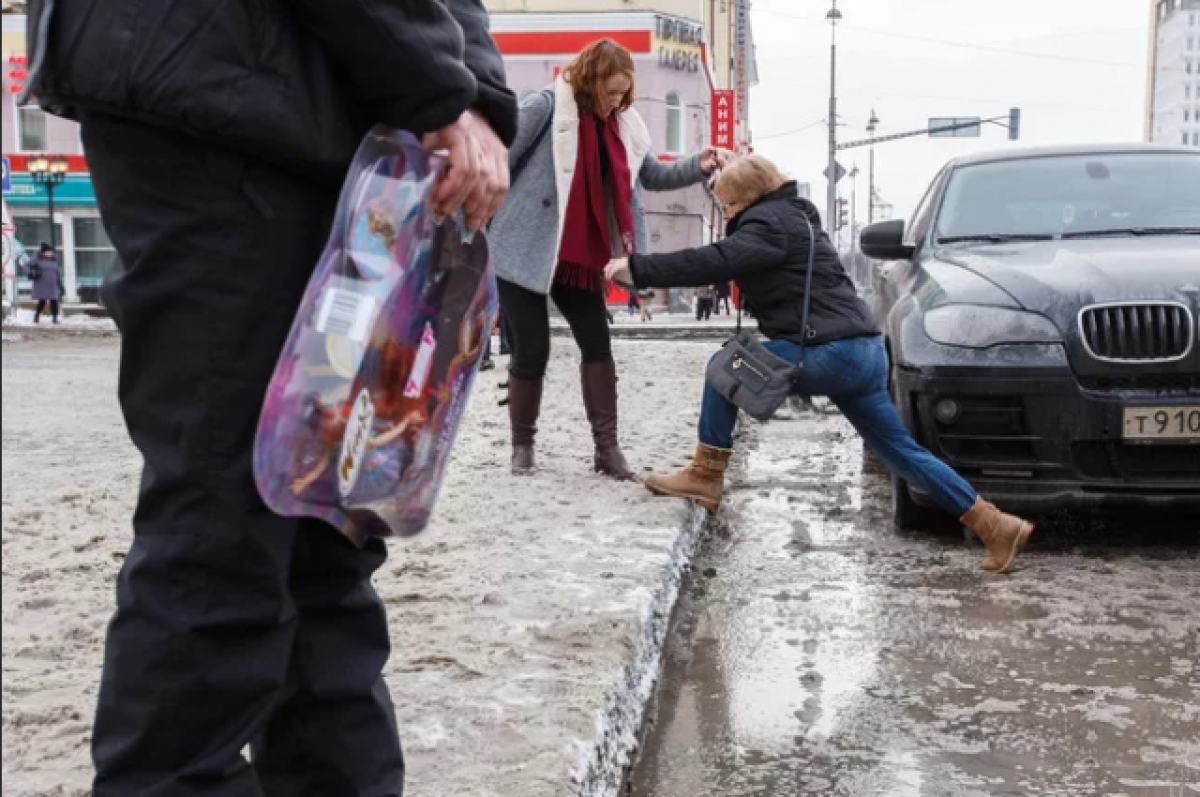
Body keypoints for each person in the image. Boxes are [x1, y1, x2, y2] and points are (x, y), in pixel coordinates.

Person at [20, 0, 516, 793]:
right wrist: (443, 92)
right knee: (225, 527)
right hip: (228, 100)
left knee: (323, 525)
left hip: (323, 112)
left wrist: (468, 94)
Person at [604, 155, 1035, 574]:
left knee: (726, 366)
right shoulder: (796, 221)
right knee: (902, 453)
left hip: (831, 351)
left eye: (728, 204)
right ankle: (995, 525)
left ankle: (705, 474)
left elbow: (713, 260)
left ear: (749, 198)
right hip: (864, 351)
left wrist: (638, 269)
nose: (726, 212)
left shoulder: (768, 225)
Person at [488, 38, 730, 479]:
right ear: (592, 79)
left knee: (598, 344)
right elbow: (500, 160)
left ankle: (607, 451)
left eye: (623, 93)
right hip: (526, 245)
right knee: (533, 349)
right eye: (612, 92)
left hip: (582, 255)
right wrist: (480, 223)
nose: (617, 100)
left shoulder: (626, 124)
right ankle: (522, 447)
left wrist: (701, 161)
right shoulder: (547, 106)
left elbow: (653, 176)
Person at [28, 243, 63, 324]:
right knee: (42, 301)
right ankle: (36, 316)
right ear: (44, 252)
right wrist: (31, 273)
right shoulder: (37, 259)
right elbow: (27, 266)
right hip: (42, 284)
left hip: (52, 285)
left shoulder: (54, 261)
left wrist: (60, 284)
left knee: (54, 301)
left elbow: (57, 273)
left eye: (52, 252)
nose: (51, 253)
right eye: (49, 252)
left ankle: (55, 318)